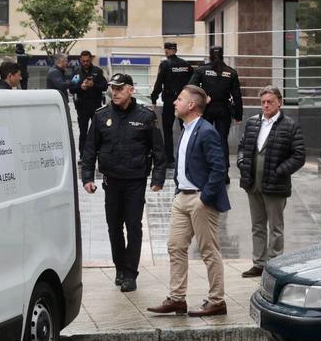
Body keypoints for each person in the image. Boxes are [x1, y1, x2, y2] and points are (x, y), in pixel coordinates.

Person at [147, 84, 230, 317]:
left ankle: (217, 301)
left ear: (191, 105)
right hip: (181, 197)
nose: (174, 102)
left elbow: (219, 168)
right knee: (175, 247)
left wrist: (205, 198)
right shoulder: (184, 128)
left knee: (208, 251)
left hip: (200, 199)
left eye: (179, 99)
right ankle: (176, 299)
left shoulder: (206, 131)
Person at [82, 73, 166, 292]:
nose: (115, 92)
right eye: (113, 88)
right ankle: (120, 267)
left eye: (120, 88)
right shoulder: (101, 116)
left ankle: (130, 273)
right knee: (114, 228)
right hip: (111, 181)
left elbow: (158, 149)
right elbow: (90, 149)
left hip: (135, 181)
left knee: (134, 227)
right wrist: (88, 178)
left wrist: (157, 178)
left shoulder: (146, 116)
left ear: (131, 90)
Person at [236, 86, 306, 278]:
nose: (266, 105)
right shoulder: (252, 123)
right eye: (263, 102)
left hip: (275, 185)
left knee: (275, 227)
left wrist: (279, 172)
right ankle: (258, 264)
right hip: (253, 183)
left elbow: (299, 156)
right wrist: (242, 162)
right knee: (257, 226)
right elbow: (242, 147)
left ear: (279, 102)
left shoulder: (290, 125)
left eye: (270, 102)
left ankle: (275, 264)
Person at [189, 46, 243, 183]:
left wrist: (202, 99)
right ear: (223, 55)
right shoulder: (231, 72)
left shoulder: (201, 70)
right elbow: (237, 96)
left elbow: (191, 88)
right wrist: (238, 115)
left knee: (203, 138)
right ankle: (223, 173)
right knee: (222, 141)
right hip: (224, 109)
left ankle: (204, 170)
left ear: (210, 56)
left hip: (206, 108)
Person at [150, 42, 193, 167]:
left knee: (168, 131)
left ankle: (170, 159)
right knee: (186, 129)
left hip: (170, 101)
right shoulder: (186, 65)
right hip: (184, 101)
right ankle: (186, 157)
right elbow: (192, 83)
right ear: (176, 50)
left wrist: (154, 97)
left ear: (167, 51)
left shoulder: (165, 64)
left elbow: (159, 83)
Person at [70, 50, 108, 159]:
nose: (85, 63)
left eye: (87, 61)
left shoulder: (97, 71)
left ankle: (98, 155)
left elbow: (105, 86)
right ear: (80, 60)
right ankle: (83, 155)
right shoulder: (77, 72)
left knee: (97, 132)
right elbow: (71, 89)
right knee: (83, 132)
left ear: (91, 59)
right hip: (82, 107)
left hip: (95, 106)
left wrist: (93, 85)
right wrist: (80, 87)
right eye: (83, 61)